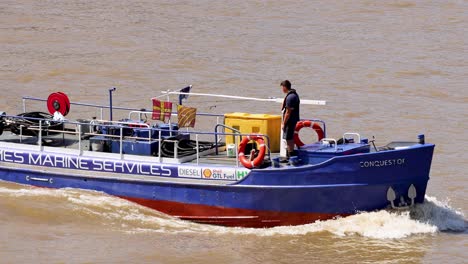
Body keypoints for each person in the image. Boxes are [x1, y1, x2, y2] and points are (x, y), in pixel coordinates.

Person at [280, 80, 300, 159]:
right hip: (293, 119)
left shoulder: (291, 97)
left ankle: (290, 156)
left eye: (282, 87)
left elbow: (288, 112)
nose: (282, 89)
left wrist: (283, 123)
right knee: (290, 137)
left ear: (285, 87)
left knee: (288, 138)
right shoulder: (293, 95)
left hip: (290, 120)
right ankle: (291, 154)